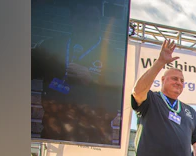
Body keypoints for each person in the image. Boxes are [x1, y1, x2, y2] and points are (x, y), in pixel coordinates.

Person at [31, 1, 126, 145]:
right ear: (73, 19)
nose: (89, 25)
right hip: (53, 136)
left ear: (100, 22)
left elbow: (120, 97)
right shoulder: (51, 46)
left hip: (94, 140)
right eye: (83, 19)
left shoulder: (115, 56)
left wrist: (92, 79)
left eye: (94, 20)